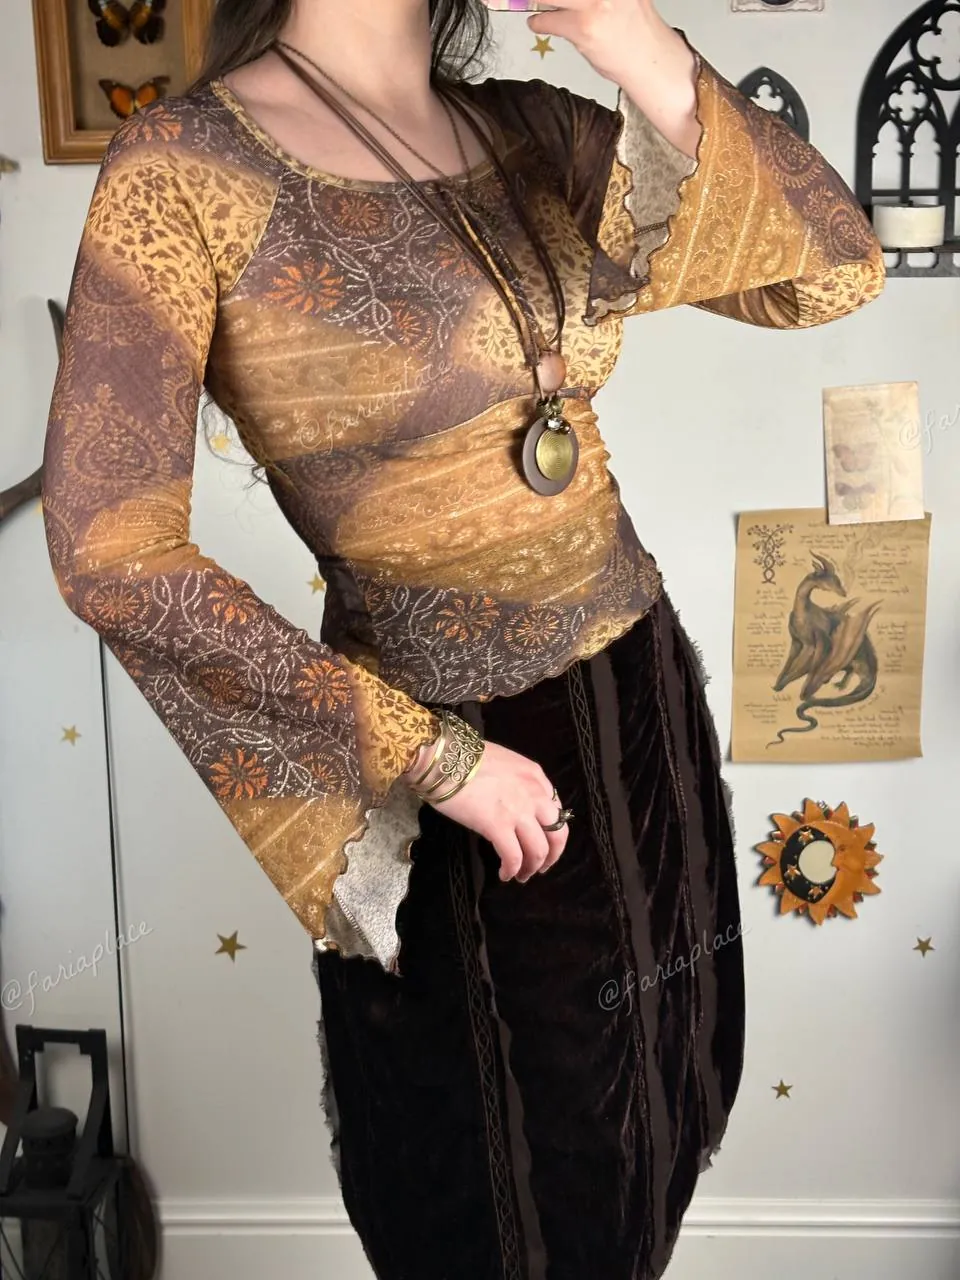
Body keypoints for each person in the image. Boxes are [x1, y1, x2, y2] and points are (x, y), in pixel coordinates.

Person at [41, 0, 885, 1276]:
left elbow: (833, 268)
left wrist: (633, 38)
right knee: (505, 1194)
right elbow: (110, 551)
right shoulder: (182, 170)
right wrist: (434, 758)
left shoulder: (533, 127)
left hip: (639, 701)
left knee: (656, 1111)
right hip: (454, 764)